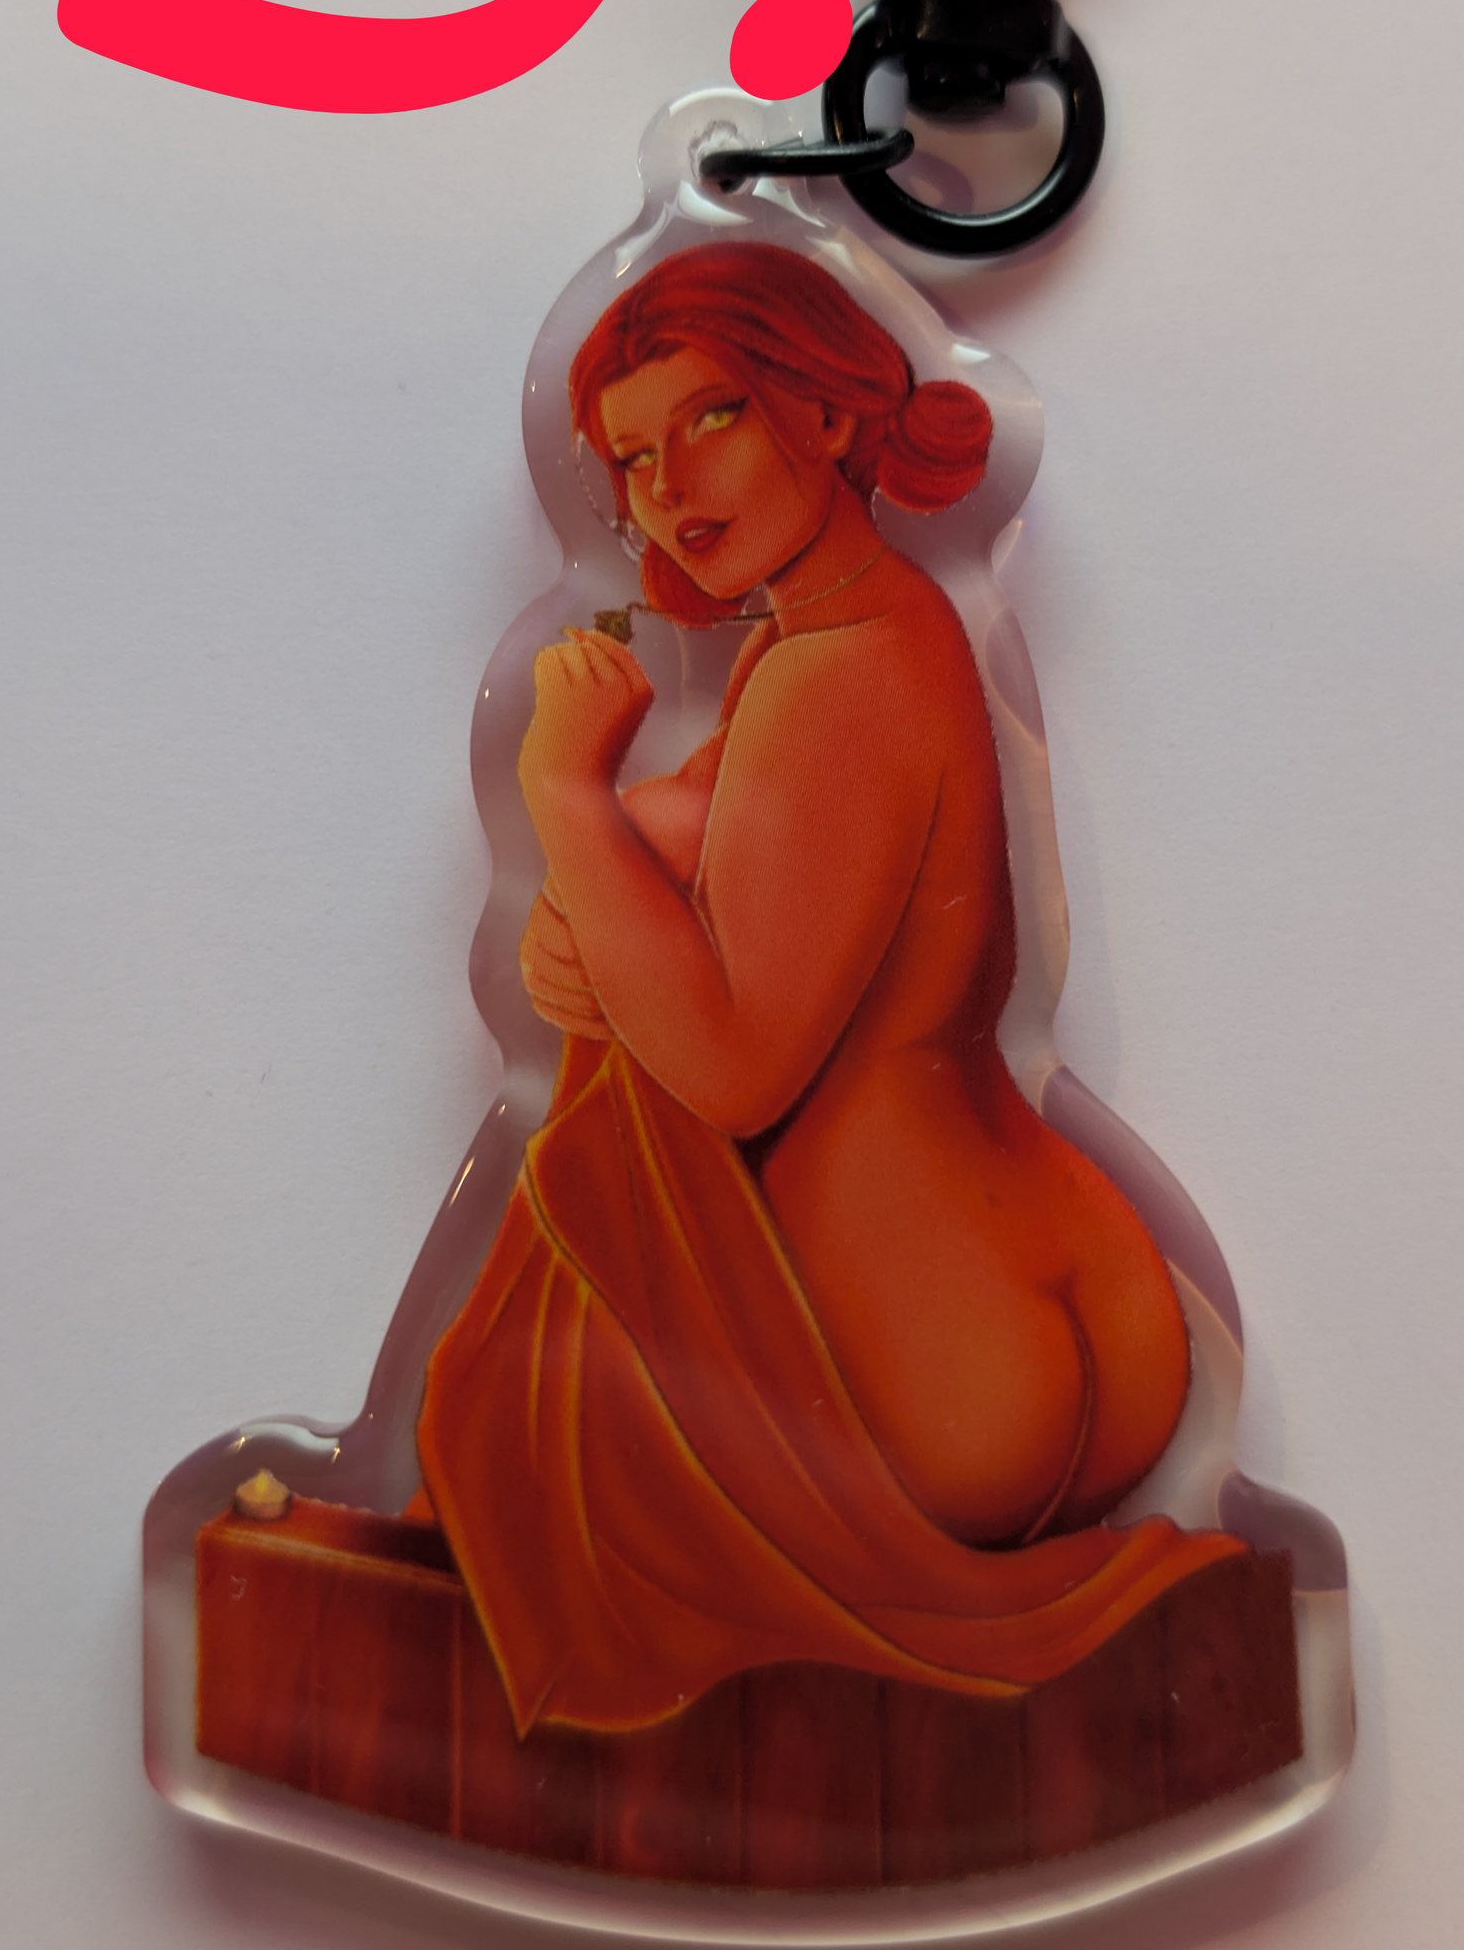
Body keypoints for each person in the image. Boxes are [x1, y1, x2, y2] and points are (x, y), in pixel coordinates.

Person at [411, 246, 1239, 1733]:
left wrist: (566, 800)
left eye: (712, 417)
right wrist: (594, 905)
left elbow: (733, 1072)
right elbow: (737, 844)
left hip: (906, 1381)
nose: (669, 488)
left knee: (512, 1378)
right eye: (631, 460)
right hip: (1076, 1310)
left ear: (832, 413)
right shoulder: (879, 625)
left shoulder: (827, 674)